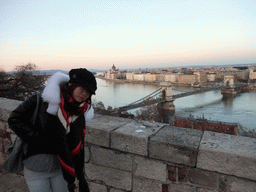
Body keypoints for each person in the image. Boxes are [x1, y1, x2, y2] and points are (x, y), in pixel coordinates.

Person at [8, 68, 97, 192]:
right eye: (82, 88)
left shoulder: (79, 112)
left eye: (88, 92)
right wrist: (40, 139)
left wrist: (81, 176)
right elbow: (14, 119)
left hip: (61, 170)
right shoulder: (42, 100)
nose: (84, 94)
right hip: (36, 168)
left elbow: (78, 147)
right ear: (71, 84)